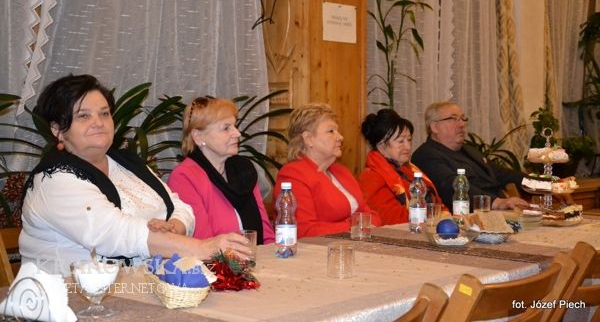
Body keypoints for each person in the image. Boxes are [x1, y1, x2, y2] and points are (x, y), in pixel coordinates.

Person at [19, 75, 250, 276]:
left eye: (104, 113)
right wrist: (204, 248)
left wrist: (173, 227)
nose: (98, 123)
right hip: (68, 296)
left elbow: (179, 206)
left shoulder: (126, 163)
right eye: (83, 116)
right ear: (58, 129)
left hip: (143, 288)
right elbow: (116, 233)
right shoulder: (54, 180)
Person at [167, 96, 274, 244]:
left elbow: (266, 234)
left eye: (234, 126)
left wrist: (274, 255)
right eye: (226, 128)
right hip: (214, 259)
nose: (237, 133)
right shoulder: (185, 177)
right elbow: (204, 244)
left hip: (257, 256)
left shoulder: (244, 169)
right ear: (198, 137)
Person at [273, 103, 380, 238]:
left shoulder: (342, 172)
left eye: (337, 131)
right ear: (308, 139)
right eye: (331, 131)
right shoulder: (293, 175)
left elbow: (373, 217)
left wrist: (357, 226)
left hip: (352, 244)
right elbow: (303, 231)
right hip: (316, 249)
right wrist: (354, 226)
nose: (340, 137)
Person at [411, 101, 529, 211]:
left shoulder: (469, 150)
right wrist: (497, 202)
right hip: (466, 217)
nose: (462, 124)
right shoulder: (426, 155)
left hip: (497, 211)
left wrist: (536, 183)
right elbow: (451, 187)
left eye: (463, 119)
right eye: (453, 119)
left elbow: (502, 174)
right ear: (434, 127)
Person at [359, 109, 446, 225]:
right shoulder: (372, 177)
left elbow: (439, 205)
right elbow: (393, 219)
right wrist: (436, 216)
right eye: (401, 141)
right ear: (381, 144)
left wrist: (443, 215)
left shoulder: (409, 170)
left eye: (409, 140)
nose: (408, 146)